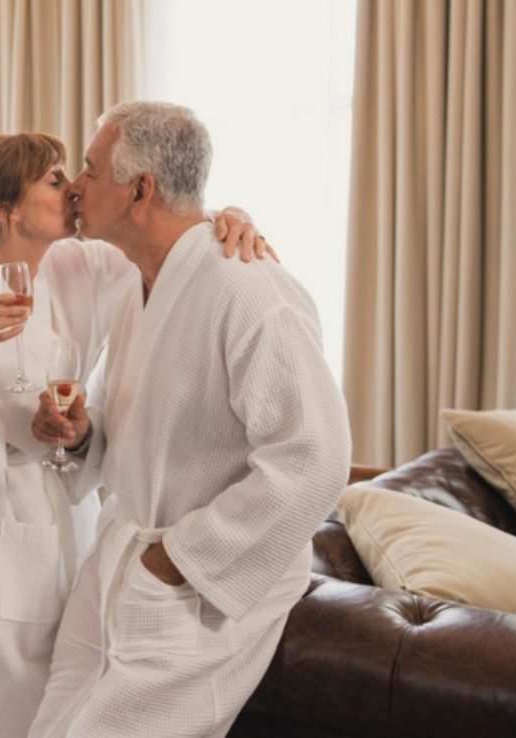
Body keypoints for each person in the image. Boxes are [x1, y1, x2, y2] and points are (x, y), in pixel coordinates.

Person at [0, 132, 274, 737]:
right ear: (5, 210)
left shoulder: (71, 267)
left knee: (42, 687)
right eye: (51, 179)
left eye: (71, 173)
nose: (71, 188)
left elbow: (161, 243)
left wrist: (226, 219)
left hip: (46, 510)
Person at [27, 101, 352, 737]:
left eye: (91, 170)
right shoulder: (133, 281)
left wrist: (179, 560)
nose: (78, 186)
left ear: (140, 189)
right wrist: (84, 432)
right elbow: (137, 420)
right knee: (54, 723)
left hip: (197, 584)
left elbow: (315, 458)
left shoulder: (249, 289)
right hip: (122, 559)